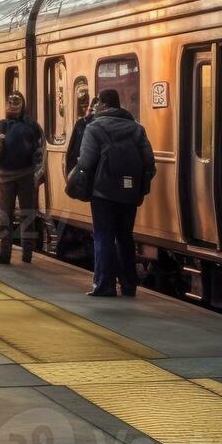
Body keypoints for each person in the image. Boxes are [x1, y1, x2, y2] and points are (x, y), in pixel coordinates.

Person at [73, 88, 155, 297]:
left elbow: (86, 162)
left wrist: (77, 179)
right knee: (125, 237)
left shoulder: (94, 128)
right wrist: (139, 187)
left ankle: (104, 285)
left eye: (98, 102)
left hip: (103, 193)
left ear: (103, 104)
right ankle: (129, 285)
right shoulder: (137, 128)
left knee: (103, 237)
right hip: (129, 193)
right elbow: (149, 163)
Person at [0, 92, 44, 266]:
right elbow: (39, 150)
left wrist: (36, 171)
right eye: (10, 101)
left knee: (10, 215)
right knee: (22, 215)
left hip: (14, 176)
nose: (12, 105)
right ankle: (20, 254)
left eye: (15, 102)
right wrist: (37, 172)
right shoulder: (26, 125)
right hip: (18, 175)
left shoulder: (11, 125)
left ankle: (11, 254)